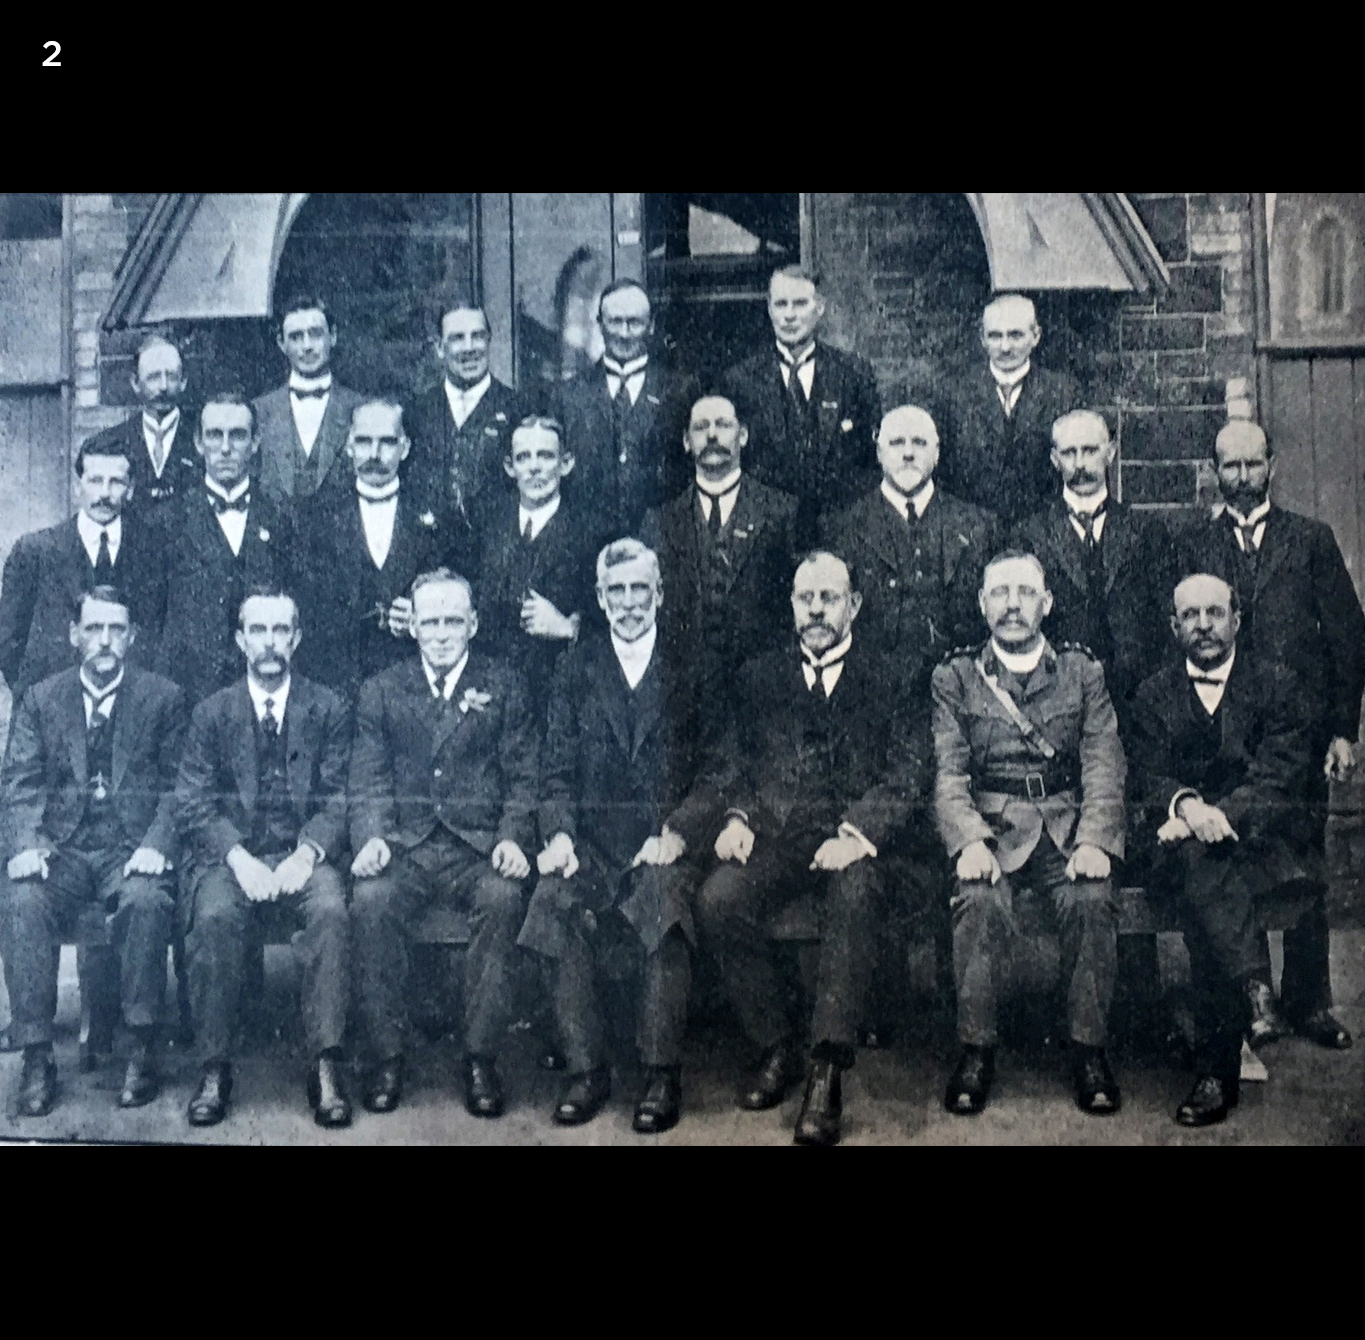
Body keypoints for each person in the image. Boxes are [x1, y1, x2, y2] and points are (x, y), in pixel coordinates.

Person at [696, 550, 932, 1146]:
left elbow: (909, 772)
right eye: (807, 599)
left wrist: (857, 833)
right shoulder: (758, 677)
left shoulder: (893, 674)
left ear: (854, 605)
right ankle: (777, 1046)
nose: (818, 609)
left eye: (831, 598)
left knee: (853, 896)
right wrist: (739, 816)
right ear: (792, 606)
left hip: (863, 846)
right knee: (720, 899)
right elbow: (734, 761)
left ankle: (826, 1072)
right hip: (780, 836)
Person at [520, 539, 722, 1133]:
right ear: (601, 601)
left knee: (663, 902)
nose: (630, 603)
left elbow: (718, 770)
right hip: (597, 846)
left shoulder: (693, 663)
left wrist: (678, 832)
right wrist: (558, 835)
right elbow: (553, 773)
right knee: (552, 900)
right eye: (617, 592)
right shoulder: (574, 667)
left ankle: (661, 1071)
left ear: (659, 595)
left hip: (665, 845)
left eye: (641, 590)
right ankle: (587, 1069)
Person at [1175, 420, 1362, 1049]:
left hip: (1298, 732)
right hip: (1224, 730)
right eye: (1230, 466)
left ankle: (1310, 1001)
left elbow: (1346, 636)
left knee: (1304, 861)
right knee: (1232, 852)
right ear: (1215, 470)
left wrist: (1343, 729)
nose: (1243, 477)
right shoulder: (1192, 542)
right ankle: (1249, 999)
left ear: (1272, 467)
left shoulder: (1310, 540)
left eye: (1253, 465)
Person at [932, 548, 1125, 1117]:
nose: (1012, 606)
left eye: (1024, 593)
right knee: (979, 901)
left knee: (1092, 900)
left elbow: (1103, 760)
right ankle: (976, 1049)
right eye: (999, 593)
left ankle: (1089, 1050)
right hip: (992, 826)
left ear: (1047, 602)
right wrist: (968, 839)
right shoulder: (957, 677)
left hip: (1065, 825)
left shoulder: (1081, 672)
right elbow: (948, 769)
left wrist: (1094, 839)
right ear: (981, 603)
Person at [1129, 574, 1323, 1125]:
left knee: (1207, 874)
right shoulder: (1151, 694)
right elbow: (1146, 775)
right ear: (1173, 627)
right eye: (1190, 615)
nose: (1204, 625)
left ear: (1237, 620)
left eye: (1215, 613)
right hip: (1178, 848)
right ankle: (1253, 987)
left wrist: (1220, 816)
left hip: (1259, 848)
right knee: (1199, 864)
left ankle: (1219, 1070)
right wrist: (1188, 806)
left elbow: (1278, 779)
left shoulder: (1279, 686)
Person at [349, 569, 538, 1119]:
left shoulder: (504, 684)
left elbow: (525, 777)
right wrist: (371, 838)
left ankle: (480, 1055)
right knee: (370, 900)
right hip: (406, 847)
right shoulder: (382, 689)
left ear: (474, 624)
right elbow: (368, 780)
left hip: (475, 847)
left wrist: (511, 839)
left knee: (502, 900)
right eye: (429, 621)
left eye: (453, 620)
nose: (440, 633)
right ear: (413, 628)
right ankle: (387, 1055)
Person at [0, 585, 185, 1116]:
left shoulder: (162, 698)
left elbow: (181, 787)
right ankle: (37, 1054)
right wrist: (26, 844)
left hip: (129, 847)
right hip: (62, 847)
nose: (105, 641)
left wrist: (155, 844)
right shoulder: (41, 698)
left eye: (116, 631)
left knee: (146, 901)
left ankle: (141, 1047)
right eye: (95, 630)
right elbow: (20, 781)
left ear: (131, 638)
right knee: (21, 901)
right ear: (75, 635)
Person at [174, 587, 353, 1128]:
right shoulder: (212, 712)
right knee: (213, 918)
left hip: (304, 852)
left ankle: (325, 1063)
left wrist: (306, 853)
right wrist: (238, 858)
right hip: (233, 859)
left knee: (329, 912)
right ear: (239, 640)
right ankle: (214, 1065)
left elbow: (341, 794)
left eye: (280, 631)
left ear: (296, 638)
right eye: (258, 631)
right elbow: (193, 801)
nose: (269, 643)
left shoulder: (328, 707)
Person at [1012, 409, 1179, 729]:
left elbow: (1165, 621)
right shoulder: (1029, 534)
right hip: (1057, 702)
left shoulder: (1147, 531)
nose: (1080, 464)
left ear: (1111, 453)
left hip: (1137, 700)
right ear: (1054, 459)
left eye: (1090, 451)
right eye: (1069, 453)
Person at [641, 393, 798, 703]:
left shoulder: (782, 512)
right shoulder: (659, 520)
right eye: (701, 427)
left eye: (723, 425)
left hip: (761, 696)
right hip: (681, 698)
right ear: (686, 441)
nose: (712, 435)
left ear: (743, 436)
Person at [294, 396, 446, 703]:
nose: (374, 454)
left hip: (413, 683)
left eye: (387, 442)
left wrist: (420, 613)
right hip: (339, 684)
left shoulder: (436, 518)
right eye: (364, 442)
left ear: (405, 448)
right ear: (349, 446)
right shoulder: (314, 517)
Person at [822, 403, 997, 667]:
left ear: (937, 453)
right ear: (879, 453)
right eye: (896, 443)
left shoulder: (979, 526)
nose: (908, 454)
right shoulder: (841, 528)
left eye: (919, 443)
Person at [153, 392, 293, 707]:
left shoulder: (283, 517)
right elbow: (152, 620)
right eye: (215, 435)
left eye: (238, 435)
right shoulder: (166, 521)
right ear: (199, 443)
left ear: (256, 443)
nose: (226, 448)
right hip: (189, 695)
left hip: (264, 692)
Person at [722, 266, 881, 543]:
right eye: (781, 304)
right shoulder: (740, 381)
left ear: (819, 308)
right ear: (769, 309)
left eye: (800, 304)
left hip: (840, 534)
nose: (790, 315)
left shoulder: (853, 374)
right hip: (767, 537)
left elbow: (870, 463)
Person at [0, 441, 165, 703]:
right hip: (52, 716)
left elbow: (159, 637)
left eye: (116, 482)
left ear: (131, 490)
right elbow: (8, 641)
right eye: (95, 481)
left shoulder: (155, 552)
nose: (105, 493)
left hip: (130, 716)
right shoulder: (34, 551)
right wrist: (37, 698)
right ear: (77, 486)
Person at [555, 279, 700, 542]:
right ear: (599, 324)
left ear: (651, 325)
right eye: (615, 321)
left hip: (663, 543)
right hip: (587, 547)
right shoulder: (568, 395)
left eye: (634, 322)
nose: (624, 333)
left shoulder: (681, 390)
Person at [475, 416, 597, 712]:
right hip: (494, 693)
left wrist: (569, 628)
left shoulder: (591, 533)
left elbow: (611, 617)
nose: (534, 468)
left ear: (566, 464)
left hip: (562, 694)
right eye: (523, 457)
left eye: (545, 456)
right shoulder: (487, 527)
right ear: (509, 467)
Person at [935, 294, 1081, 524]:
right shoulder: (955, 393)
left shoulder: (1064, 393)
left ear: (1036, 337)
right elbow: (943, 474)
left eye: (1015, 335)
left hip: (1041, 532)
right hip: (972, 532)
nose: (1005, 347)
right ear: (982, 339)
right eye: (995, 336)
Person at [406, 304, 524, 568]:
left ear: (489, 341)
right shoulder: (416, 413)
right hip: (428, 567)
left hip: (497, 564)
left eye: (478, 336)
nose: (469, 348)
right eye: (457, 338)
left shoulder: (519, 409)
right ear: (439, 348)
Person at [252, 294, 364, 502]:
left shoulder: (360, 410)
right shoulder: (259, 412)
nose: (307, 346)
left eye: (315, 334)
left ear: (333, 336)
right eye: (296, 337)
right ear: (281, 343)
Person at [82, 334, 200, 513]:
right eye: (153, 377)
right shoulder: (112, 443)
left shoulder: (204, 438)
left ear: (183, 381)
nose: (163, 386)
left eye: (172, 376)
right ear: (135, 383)